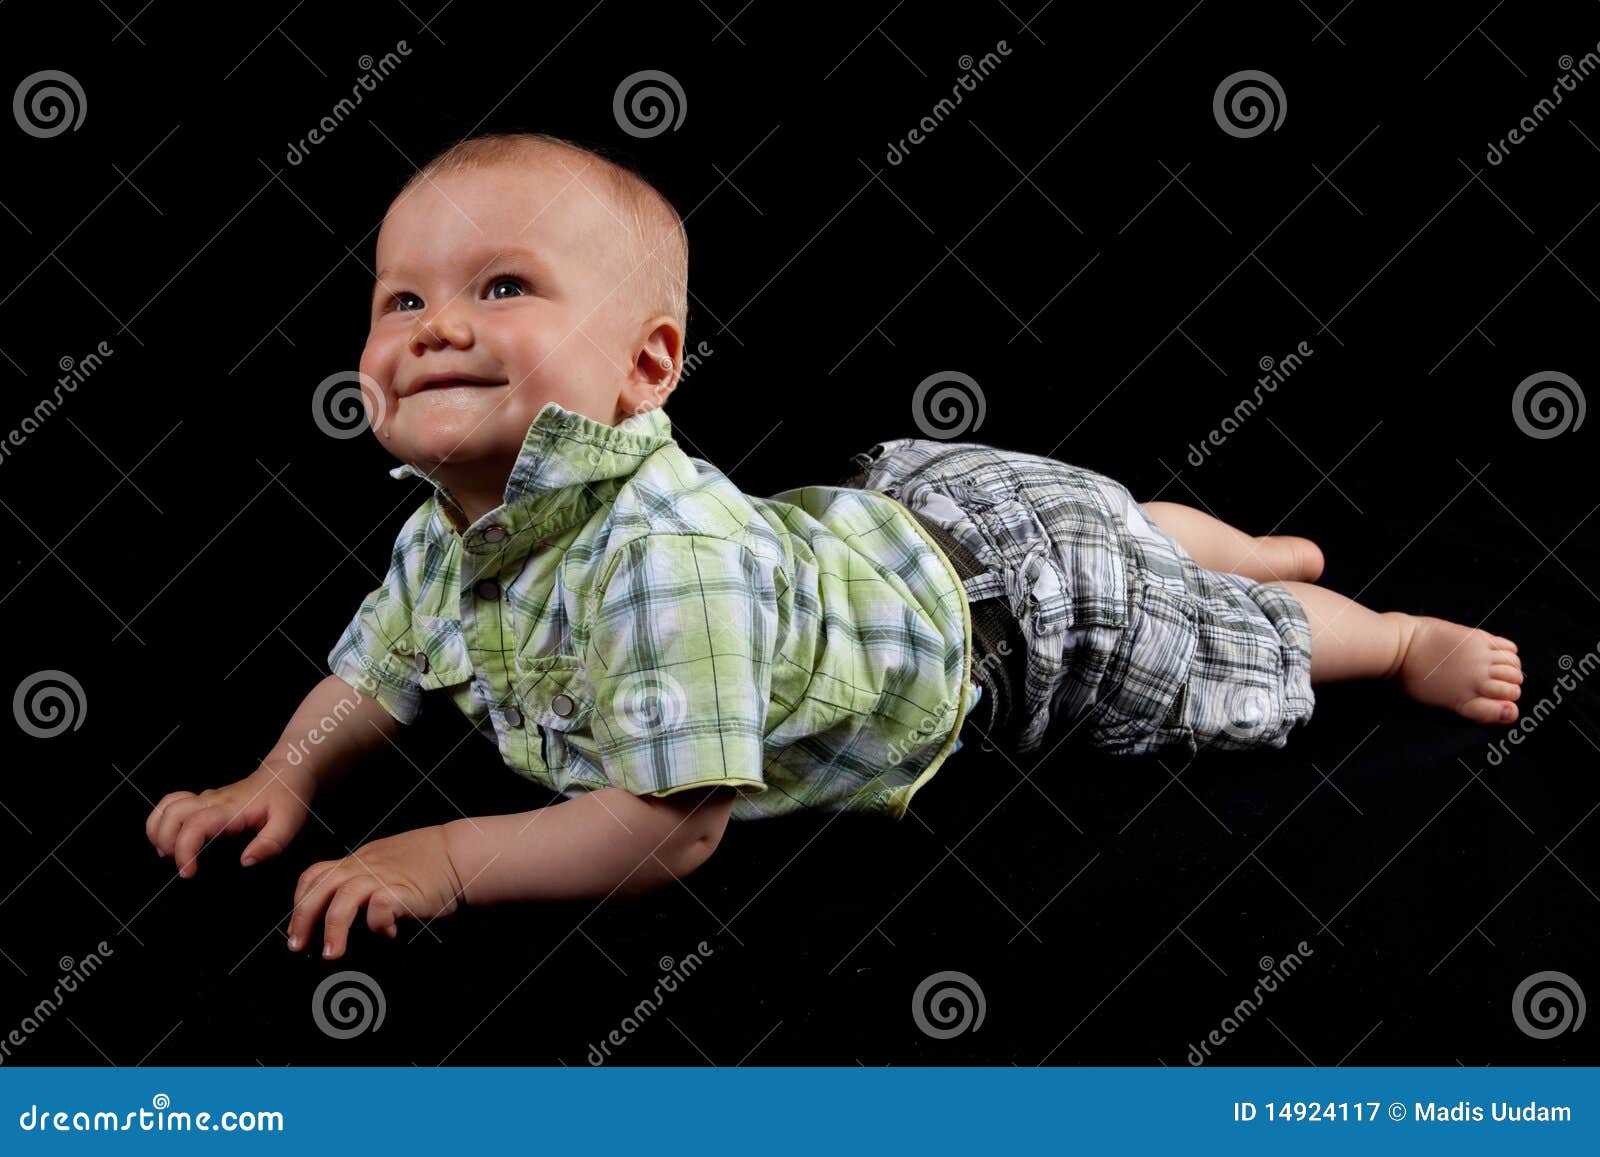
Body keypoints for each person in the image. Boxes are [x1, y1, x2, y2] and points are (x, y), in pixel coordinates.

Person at [143, 132, 1522, 961]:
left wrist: (437, 858)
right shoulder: (446, 540)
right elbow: (373, 676)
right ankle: (1228, 542)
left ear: (649, 363)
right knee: (1128, 524)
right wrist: (285, 770)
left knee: (1190, 630)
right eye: (402, 297)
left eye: (501, 286)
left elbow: (670, 829)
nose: (434, 325)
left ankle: (1374, 628)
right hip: (908, 516)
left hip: (1019, 616)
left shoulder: (655, 552)